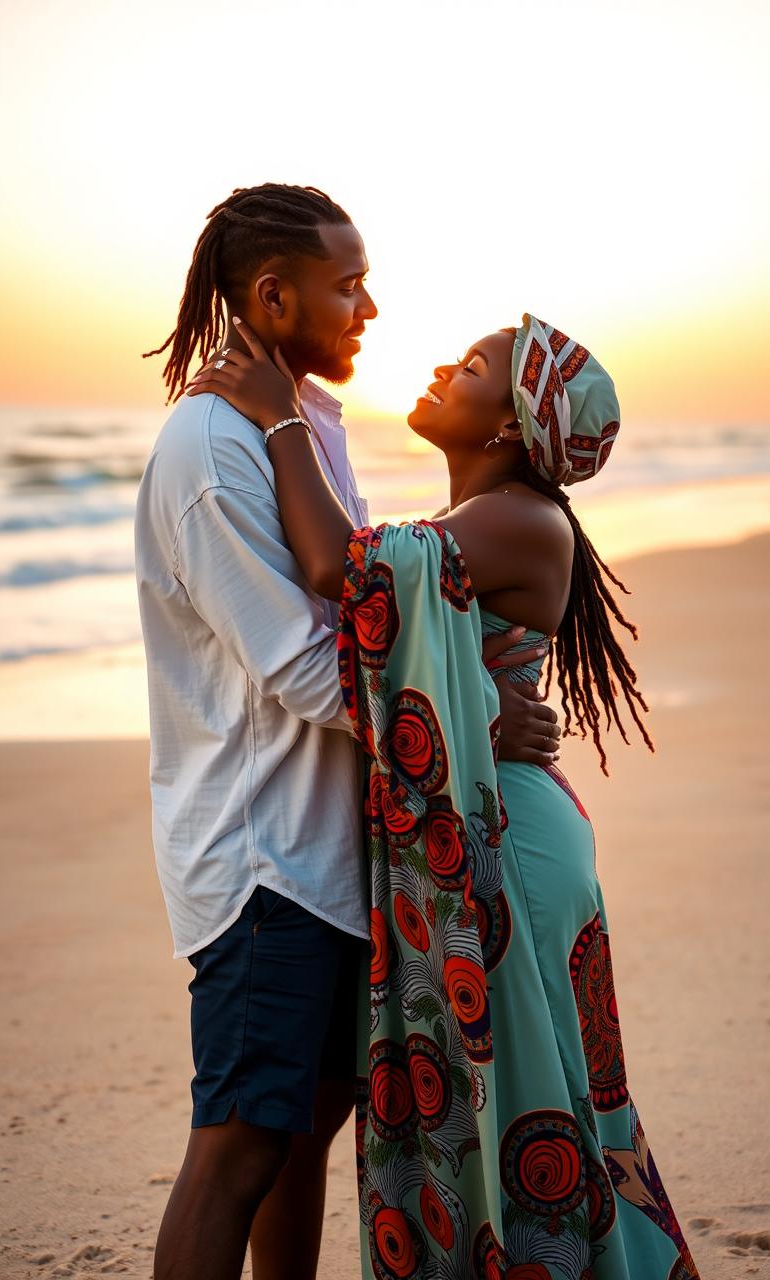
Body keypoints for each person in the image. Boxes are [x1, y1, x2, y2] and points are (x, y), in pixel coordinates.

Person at [185, 311, 700, 1277]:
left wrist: (279, 420)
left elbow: (346, 573)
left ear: (513, 423)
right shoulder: (485, 518)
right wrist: (471, 713)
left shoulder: (518, 519)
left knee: (526, 1098)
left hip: (507, 834)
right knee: (502, 1091)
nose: (440, 367)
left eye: (471, 366)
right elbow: (387, 632)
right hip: (487, 813)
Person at [135, 183, 561, 1280]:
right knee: (238, 1142)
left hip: (336, 857)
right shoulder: (212, 446)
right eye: (348, 283)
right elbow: (300, 662)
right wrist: (467, 704)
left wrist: (454, 682)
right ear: (274, 296)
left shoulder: (305, 426)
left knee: (307, 1130)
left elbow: (367, 612)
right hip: (261, 855)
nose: (369, 306)